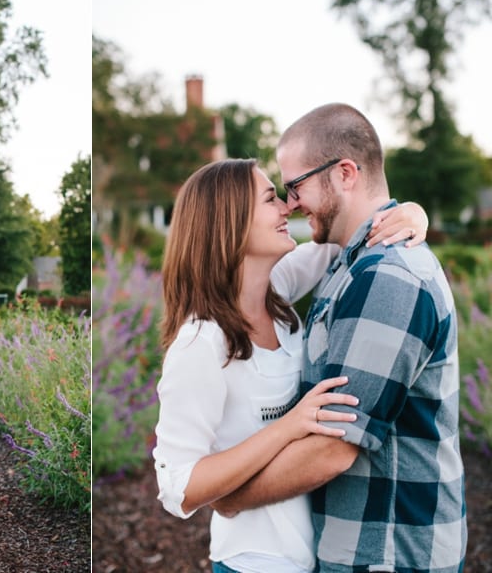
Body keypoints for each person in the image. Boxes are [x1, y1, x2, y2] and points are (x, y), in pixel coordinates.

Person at [212, 104, 466, 572]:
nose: (290, 204)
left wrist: (230, 499)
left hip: (389, 553)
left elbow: (332, 447)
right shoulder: (345, 262)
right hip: (360, 547)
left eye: (294, 186)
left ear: (345, 173)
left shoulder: (386, 277)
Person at [152, 158, 429, 573]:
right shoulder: (200, 344)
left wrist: (410, 212)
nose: (288, 208)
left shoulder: (275, 291)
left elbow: (346, 232)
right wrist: (289, 425)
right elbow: (179, 486)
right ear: (230, 222)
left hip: (313, 553)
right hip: (255, 561)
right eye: (271, 199)